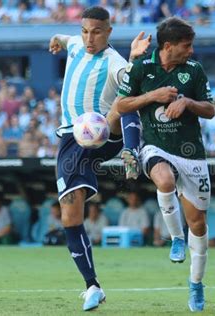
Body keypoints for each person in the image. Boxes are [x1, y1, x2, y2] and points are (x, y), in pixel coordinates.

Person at [48, 6, 151, 311]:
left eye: (96, 32)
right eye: (85, 31)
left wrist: (134, 60)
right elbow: (65, 39)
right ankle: (92, 285)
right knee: (70, 216)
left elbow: (132, 88)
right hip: (71, 139)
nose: (89, 38)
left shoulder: (115, 63)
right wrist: (56, 38)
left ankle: (132, 151)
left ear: (108, 32)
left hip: (103, 132)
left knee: (121, 102)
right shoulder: (77, 44)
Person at [116, 17, 215, 312]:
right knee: (165, 181)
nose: (191, 50)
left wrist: (187, 103)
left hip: (192, 155)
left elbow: (210, 109)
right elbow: (121, 105)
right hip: (156, 146)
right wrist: (152, 96)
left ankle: (196, 284)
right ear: (169, 46)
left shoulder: (193, 71)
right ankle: (175, 238)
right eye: (187, 46)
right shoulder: (142, 68)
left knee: (198, 223)